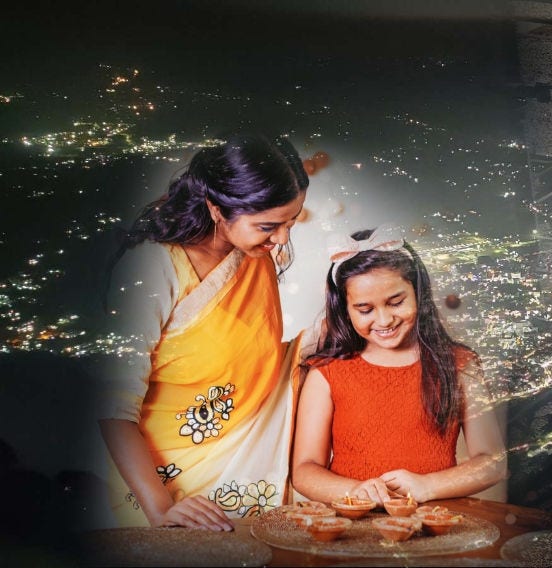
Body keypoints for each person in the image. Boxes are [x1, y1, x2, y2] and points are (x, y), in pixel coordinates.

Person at [99, 133, 310, 530]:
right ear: (216, 209)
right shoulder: (152, 268)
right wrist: (160, 509)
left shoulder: (252, 254)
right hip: (167, 482)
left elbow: (253, 358)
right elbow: (112, 407)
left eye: (291, 222)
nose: (282, 238)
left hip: (243, 469)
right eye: (269, 225)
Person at [292, 228, 506, 505]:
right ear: (345, 309)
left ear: (418, 293)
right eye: (365, 310)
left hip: (435, 521)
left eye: (396, 302)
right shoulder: (326, 373)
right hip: (352, 525)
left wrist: (426, 486)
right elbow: (305, 470)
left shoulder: (460, 365)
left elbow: (493, 462)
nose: (384, 320)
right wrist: (357, 492)